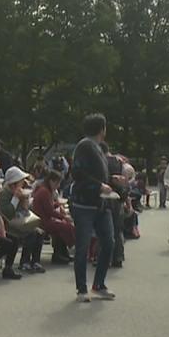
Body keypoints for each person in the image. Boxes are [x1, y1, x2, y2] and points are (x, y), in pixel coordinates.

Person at [70, 113, 116, 301]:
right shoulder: (84, 146)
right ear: (101, 128)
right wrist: (99, 186)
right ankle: (82, 289)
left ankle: (98, 284)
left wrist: (113, 181)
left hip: (100, 204)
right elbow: (77, 173)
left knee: (109, 242)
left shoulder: (96, 147)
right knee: (82, 246)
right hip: (84, 205)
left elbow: (98, 174)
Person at [0, 167, 45, 273]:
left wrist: (25, 200)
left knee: (39, 232)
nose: (22, 183)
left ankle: (35, 261)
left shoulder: (20, 192)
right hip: (10, 224)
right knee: (31, 233)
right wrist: (16, 198)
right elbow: (8, 213)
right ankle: (24, 262)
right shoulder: (4, 194)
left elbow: (25, 211)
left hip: (20, 221)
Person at [32, 170, 74, 265]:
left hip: (44, 219)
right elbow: (50, 211)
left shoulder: (44, 190)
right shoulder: (44, 192)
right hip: (43, 221)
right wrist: (64, 217)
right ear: (51, 181)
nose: (58, 185)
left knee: (62, 227)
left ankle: (61, 253)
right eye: (57, 183)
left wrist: (57, 205)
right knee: (66, 227)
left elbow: (49, 206)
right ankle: (60, 253)